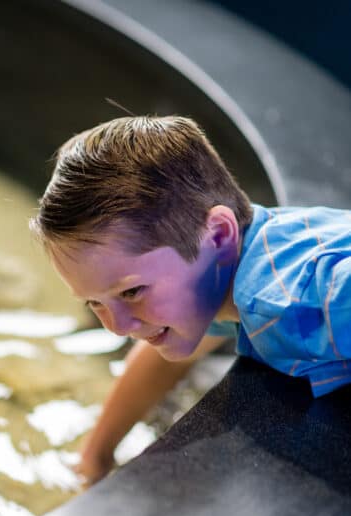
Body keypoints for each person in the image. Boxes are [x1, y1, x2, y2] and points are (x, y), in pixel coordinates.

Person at [29, 115, 351, 487]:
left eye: (131, 292)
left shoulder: (285, 298)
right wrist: (95, 457)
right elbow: (155, 360)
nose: (116, 326)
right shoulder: (228, 269)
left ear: (217, 235)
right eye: (94, 303)